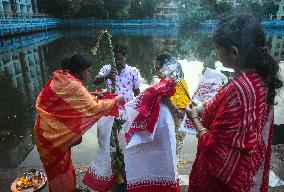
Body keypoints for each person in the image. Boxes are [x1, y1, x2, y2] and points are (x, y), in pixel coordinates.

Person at [185, 13, 283, 192]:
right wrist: (210, 105)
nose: (217, 53)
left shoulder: (239, 90)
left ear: (234, 52)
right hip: (249, 173)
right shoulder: (258, 77)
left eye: (218, 49)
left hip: (222, 184)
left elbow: (218, 151)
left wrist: (195, 120)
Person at [34, 54, 124, 192]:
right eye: (88, 70)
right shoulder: (74, 85)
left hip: (46, 130)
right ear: (80, 70)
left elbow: (71, 98)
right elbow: (94, 108)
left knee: (61, 167)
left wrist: (93, 94)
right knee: (60, 173)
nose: (90, 73)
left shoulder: (62, 77)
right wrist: (116, 101)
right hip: (52, 136)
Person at [123, 53, 189, 192]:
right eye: (155, 68)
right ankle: (165, 178)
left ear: (166, 67)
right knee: (167, 153)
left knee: (170, 152)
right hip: (168, 123)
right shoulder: (167, 83)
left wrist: (175, 110)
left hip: (174, 123)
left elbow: (175, 106)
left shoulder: (173, 84)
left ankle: (166, 179)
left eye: (158, 68)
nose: (156, 71)